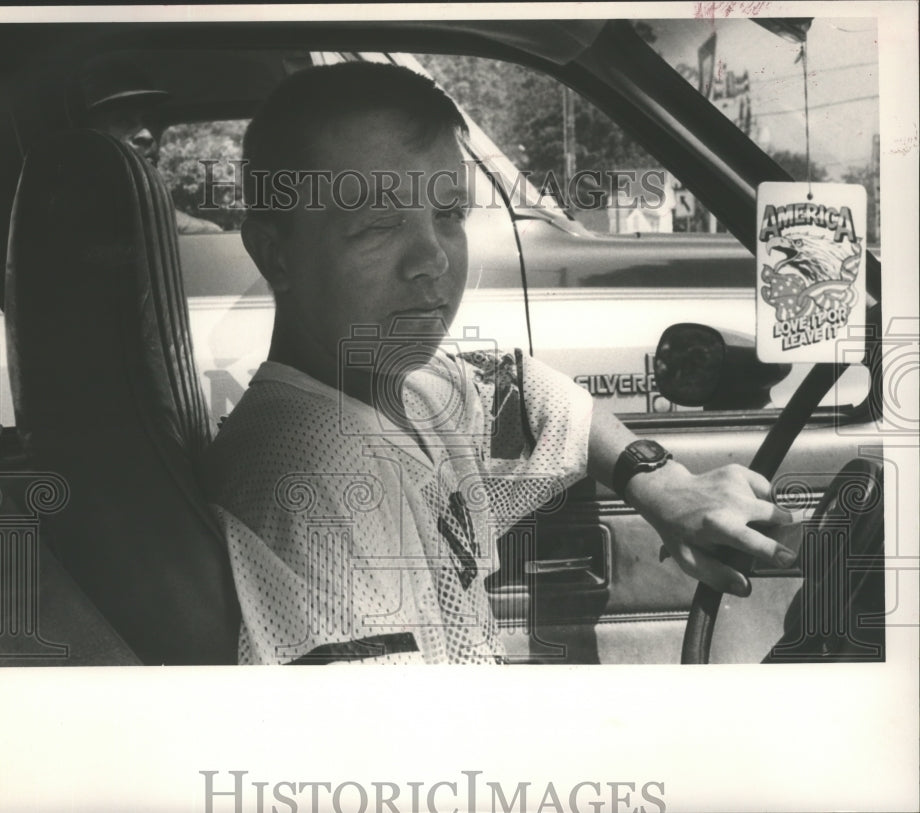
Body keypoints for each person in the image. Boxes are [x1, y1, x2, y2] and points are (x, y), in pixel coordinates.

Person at [200, 62, 797, 665]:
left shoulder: (413, 391)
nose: (432, 259)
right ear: (276, 254)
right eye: (379, 223)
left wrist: (662, 482)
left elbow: (526, 389)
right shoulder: (310, 486)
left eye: (449, 214)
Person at [76, 56, 223, 235]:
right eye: (122, 120)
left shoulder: (197, 231)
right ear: (88, 134)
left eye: (149, 120)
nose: (147, 135)